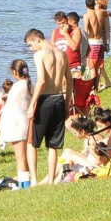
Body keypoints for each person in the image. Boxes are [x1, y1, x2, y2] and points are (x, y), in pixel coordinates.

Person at [24, 28, 72, 186]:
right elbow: (69, 81)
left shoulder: (39, 55)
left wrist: (32, 104)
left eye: (31, 45)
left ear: (37, 39)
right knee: (53, 144)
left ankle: (34, 181)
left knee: (32, 142)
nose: (31, 49)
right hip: (59, 99)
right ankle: (51, 180)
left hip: (44, 100)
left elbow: (42, 81)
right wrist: (66, 104)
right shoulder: (62, 53)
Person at [0, 59, 33, 187]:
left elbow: (10, 107)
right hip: (27, 123)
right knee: (25, 154)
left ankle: (24, 183)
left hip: (17, 125)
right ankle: (27, 179)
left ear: (14, 72)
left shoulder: (17, 87)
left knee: (20, 156)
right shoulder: (30, 85)